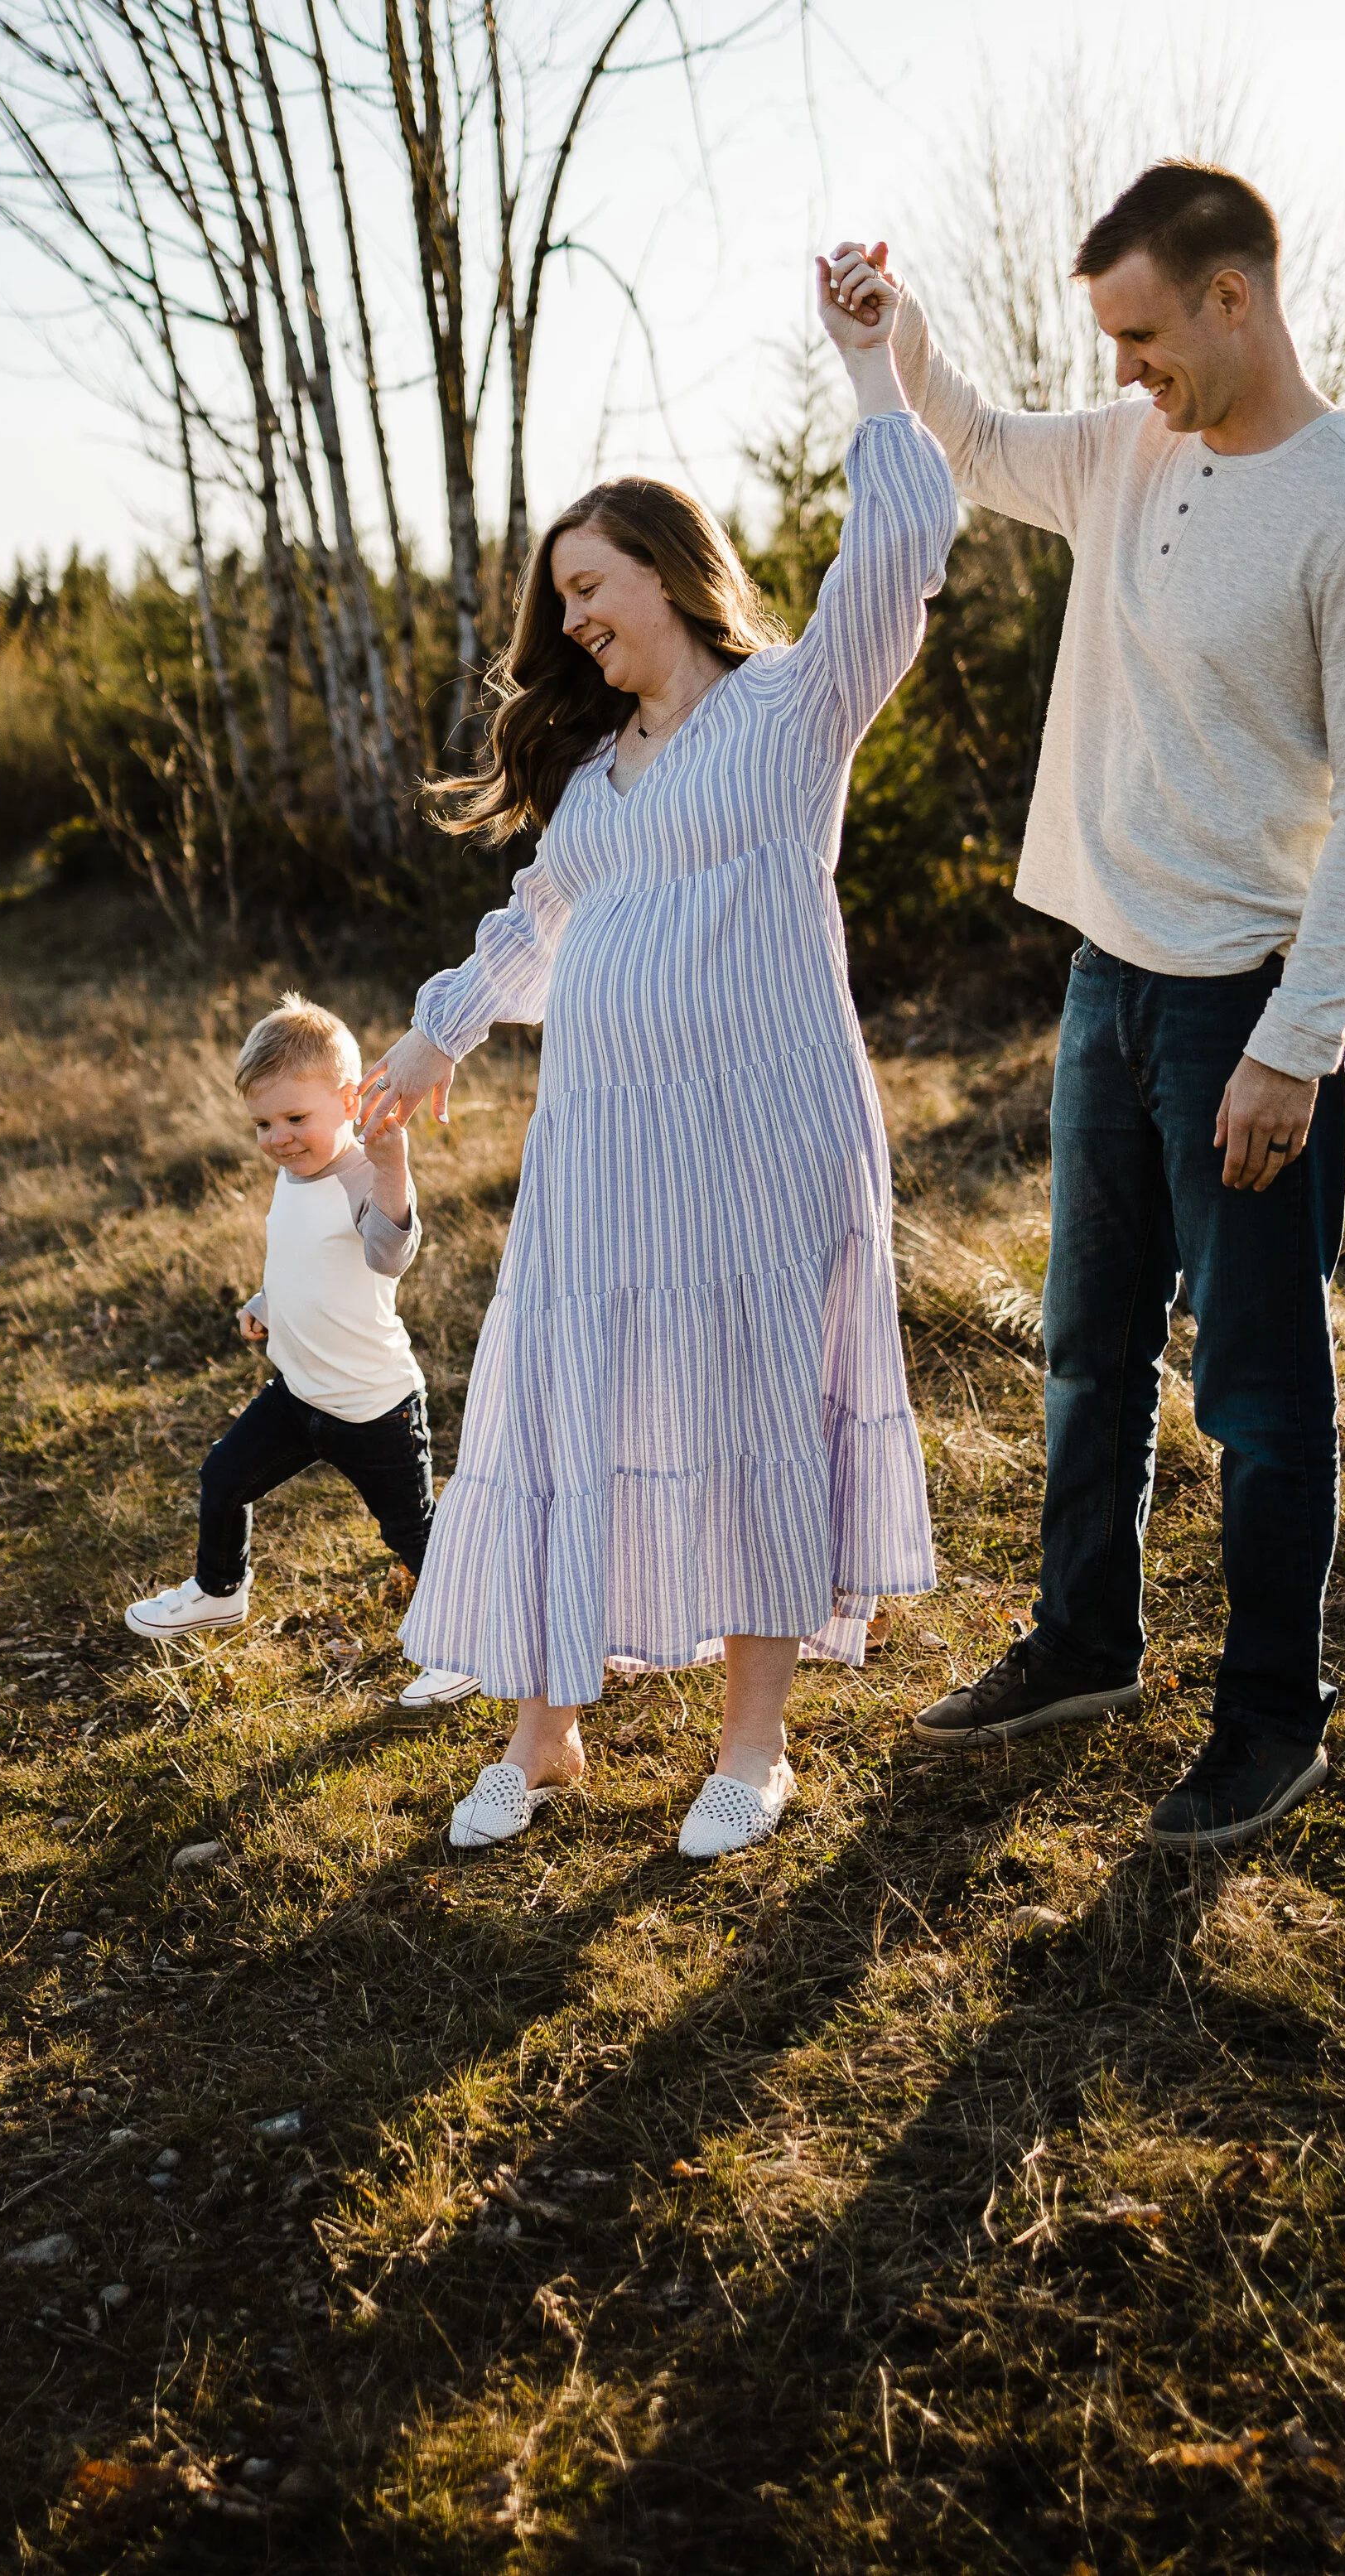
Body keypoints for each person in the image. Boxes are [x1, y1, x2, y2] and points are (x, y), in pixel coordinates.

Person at [826, 162, 1345, 1849]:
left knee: (1254, 1390)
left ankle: (1269, 1718)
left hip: (1241, 1010)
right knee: (1081, 1355)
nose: (1120, 369)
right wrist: (893, 336)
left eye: (1141, 334)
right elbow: (964, 436)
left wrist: (1291, 1046)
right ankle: (1081, 1645)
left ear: (1231, 298)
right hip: (1105, 985)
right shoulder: (1121, 452)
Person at [362, 258, 958, 1858]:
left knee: (761, 1395)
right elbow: (532, 922)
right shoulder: (598, 785)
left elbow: (899, 558)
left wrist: (870, 367)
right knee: (565, 1390)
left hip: (764, 1125)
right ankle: (542, 1728)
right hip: (604, 1146)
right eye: (558, 603)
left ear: (667, 570)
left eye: (586, 587)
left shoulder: (787, 710)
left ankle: (750, 1751)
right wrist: (435, 1036)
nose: (569, 621)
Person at [123, 994, 475, 1712]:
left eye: (295, 1119)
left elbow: (388, 1255)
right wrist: (263, 1303)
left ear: (348, 1102)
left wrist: (393, 1166)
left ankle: (463, 1644)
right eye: (263, 1124)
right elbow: (300, 1260)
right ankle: (220, 1589)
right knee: (223, 1475)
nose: (279, 1139)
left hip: (374, 1405)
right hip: (300, 1394)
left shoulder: (359, 1174)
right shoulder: (293, 1175)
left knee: (412, 1531)